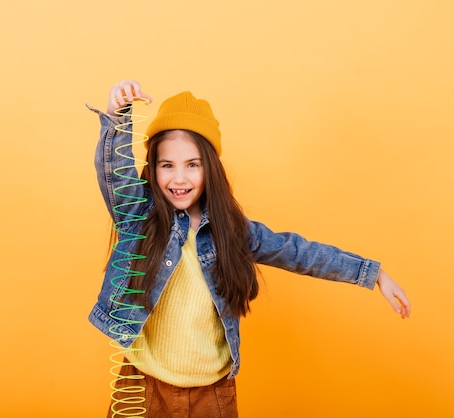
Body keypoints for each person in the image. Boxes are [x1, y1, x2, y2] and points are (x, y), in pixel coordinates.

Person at [87, 80, 411, 418]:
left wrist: (372, 274)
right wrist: (117, 116)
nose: (178, 178)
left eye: (192, 165)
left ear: (210, 168)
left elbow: (298, 253)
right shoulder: (138, 214)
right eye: (167, 165)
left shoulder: (234, 233)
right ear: (153, 169)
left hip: (211, 394)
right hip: (143, 388)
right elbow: (115, 172)